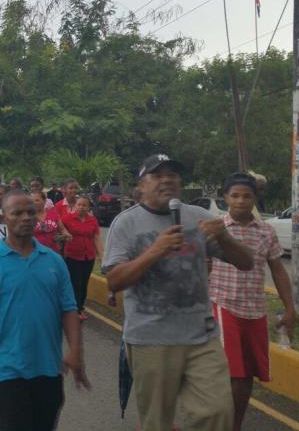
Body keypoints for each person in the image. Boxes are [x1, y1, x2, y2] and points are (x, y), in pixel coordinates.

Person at [102, 154, 253, 431]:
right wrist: (155, 251)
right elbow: (113, 280)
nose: (167, 179)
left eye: (172, 174)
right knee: (156, 423)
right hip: (151, 339)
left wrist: (223, 237)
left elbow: (246, 262)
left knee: (217, 412)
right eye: (157, 175)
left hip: (201, 337)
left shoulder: (199, 217)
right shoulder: (126, 223)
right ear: (142, 185)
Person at [0, 190, 89, 431]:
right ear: (3, 219)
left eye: (31, 212)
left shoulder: (54, 262)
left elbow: (69, 309)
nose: (25, 217)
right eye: (17, 213)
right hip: (9, 370)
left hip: (49, 368)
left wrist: (76, 351)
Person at [209, 173, 296, 430]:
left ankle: (235, 424)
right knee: (231, 372)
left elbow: (278, 270)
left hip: (255, 310)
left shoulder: (266, 231)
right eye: (235, 196)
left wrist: (290, 307)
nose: (240, 201)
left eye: (247, 196)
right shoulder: (216, 228)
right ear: (225, 198)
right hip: (223, 305)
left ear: (255, 198)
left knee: (246, 374)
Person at [60, 196, 103, 320]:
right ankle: (73, 310)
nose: (81, 207)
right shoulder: (67, 218)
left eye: (84, 205)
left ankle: (79, 307)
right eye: (79, 204)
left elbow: (96, 238)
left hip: (88, 257)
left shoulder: (92, 220)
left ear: (89, 208)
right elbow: (59, 231)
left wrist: (101, 255)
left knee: (84, 284)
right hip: (72, 256)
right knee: (74, 283)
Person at [32, 190, 68, 254]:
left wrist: (65, 235)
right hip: (36, 252)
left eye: (37, 200)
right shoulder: (29, 217)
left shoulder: (53, 214)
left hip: (53, 252)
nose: (34, 203)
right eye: (32, 201)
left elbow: (62, 229)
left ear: (44, 201)